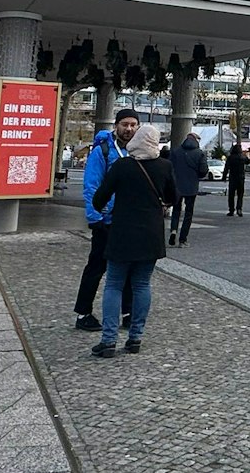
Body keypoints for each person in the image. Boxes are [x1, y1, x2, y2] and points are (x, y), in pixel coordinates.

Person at [87, 124, 177, 358]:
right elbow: (172, 198)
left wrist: (107, 210)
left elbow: (99, 198)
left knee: (114, 284)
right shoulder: (165, 166)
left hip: (122, 234)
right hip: (151, 235)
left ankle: (108, 341)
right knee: (142, 285)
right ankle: (135, 337)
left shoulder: (122, 166)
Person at [74, 108, 139, 331]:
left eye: (133, 125)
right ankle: (83, 313)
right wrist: (94, 217)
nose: (129, 129)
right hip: (106, 219)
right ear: (116, 126)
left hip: (129, 220)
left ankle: (128, 312)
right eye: (125, 124)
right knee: (97, 266)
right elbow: (91, 185)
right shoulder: (102, 150)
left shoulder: (138, 151)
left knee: (129, 268)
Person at [169, 130, 208, 246]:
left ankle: (173, 231)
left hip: (177, 186)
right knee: (188, 213)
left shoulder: (175, 152)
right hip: (191, 186)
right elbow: (203, 170)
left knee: (176, 210)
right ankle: (183, 239)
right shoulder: (200, 153)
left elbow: (169, 167)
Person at [224, 142, 248, 217]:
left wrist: (224, 176)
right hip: (241, 178)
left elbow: (226, 168)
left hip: (232, 177)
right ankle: (239, 209)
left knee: (231, 195)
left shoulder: (230, 158)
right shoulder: (242, 157)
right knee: (240, 194)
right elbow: (248, 161)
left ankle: (231, 210)